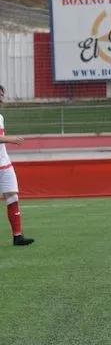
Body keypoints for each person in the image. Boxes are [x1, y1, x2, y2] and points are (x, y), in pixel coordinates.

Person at [0, 85, 34, 247]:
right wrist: (10, 139)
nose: (1, 98)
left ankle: (17, 236)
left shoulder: (0, 117)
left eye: (2, 95)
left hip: (4, 163)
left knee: (12, 197)